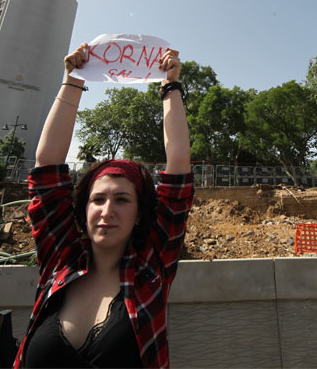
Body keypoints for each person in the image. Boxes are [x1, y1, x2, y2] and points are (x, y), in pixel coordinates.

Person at [15, 43, 193, 368]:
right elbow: (46, 165)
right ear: (84, 208)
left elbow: (179, 166)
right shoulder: (60, 260)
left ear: (140, 213)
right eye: (98, 199)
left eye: (122, 200)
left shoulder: (152, 268)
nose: (107, 211)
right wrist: (72, 80)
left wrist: (171, 85)